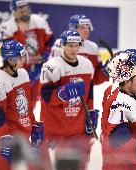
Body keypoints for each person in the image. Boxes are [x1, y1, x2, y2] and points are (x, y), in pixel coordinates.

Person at [39, 30, 98, 169]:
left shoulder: (87, 65)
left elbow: (89, 94)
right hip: (56, 130)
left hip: (78, 128)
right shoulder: (51, 67)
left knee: (81, 165)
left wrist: (90, 115)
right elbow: (45, 98)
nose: (73, 49)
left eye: (76, 45)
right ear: (63, 45)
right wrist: (61, 94)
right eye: (70, 45)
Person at [0, 40, 44, 170]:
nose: (24, 59)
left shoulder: (23, 73)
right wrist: (4, 138)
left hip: (23, 137)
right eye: (21, 56)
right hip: (5, 140)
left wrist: (34, 124)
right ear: (11, 61)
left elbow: (26, 105)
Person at [0, 0, 53, 111]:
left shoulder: (40, 21)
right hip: (17, 70)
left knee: (33, 98)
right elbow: (6, 53)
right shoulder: (7, 28)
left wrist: (45, 56)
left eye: (26, 9)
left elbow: (50, 39)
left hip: (38, 67)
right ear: (14, 12)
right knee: (16, 98)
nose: (25, 12)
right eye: (21, 11)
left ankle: (27, 122)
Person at [49, 14, 109, 108]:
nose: (86, 30)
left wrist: (106, 71)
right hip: (65, 92)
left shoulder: (93, 48)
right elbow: (51, 73)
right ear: (73, 28)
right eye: (82, 27)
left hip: (87, 95)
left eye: (88, 27)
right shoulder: (60, 44)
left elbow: (95, 78)